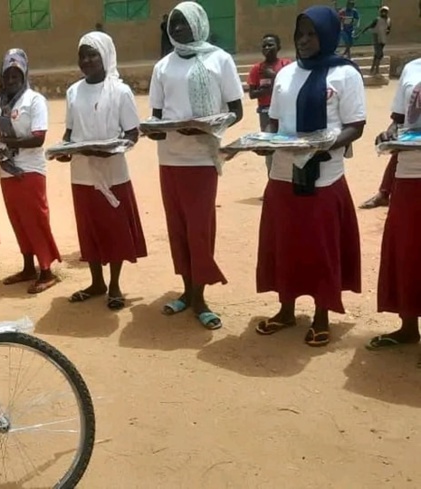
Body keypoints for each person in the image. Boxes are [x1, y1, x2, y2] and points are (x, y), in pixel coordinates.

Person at [254, 6, 366, 347]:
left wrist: (326, 145)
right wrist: (265, 143)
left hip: (323, 178)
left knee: (320, 247)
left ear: (327, 35)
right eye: (300, 34)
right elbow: (274, 123)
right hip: (284, 174)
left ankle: (321, 316)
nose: (304, 40)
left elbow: (355, 126)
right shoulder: (286, 75)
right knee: (284, 244)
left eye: (312, 33)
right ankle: (286, 309)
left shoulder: (345, 75)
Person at [148, 1, 244, 329]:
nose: (176, 29)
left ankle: (201, 297)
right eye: (173, 24)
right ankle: (187, 291)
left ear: (199, 24)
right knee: (177, 229)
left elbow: (236, 110)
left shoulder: (220, 60)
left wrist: (205, 125)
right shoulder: (162, 67)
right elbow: (157, 117)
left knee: (199, 230)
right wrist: (154, 130)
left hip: (201, 160)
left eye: (183, 23)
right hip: (170, 159)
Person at [61, 32, 146, 310]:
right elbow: (70, 132)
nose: (86, 60)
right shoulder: (73, 91)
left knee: (114, 229)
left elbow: (132, 134)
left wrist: (110, 149)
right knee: (90, 229)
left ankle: (114, 285)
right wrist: (63, 150)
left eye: (92, 54)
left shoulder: (120, 91)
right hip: (82, 173)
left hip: (112, 173)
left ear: (106, 56)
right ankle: (96, 282)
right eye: (82, 55)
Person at [0, 48, 62, 294]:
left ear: (24, 76)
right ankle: (27, 267)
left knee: (35, 219)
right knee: (18, 220)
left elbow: (38, 138)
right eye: (7, 76)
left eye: (16, 76)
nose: (11, 81)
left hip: (30, 170)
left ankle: (46, 270)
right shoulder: (1, 103)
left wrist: (8, 144)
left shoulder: (34, 100)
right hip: (7, 170)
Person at [366, 57, 421, 351]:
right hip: (409, 173)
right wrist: (389, 134)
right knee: (407, 251)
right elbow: (399, 120)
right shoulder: (413, 68)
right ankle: (409, 327)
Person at [247, 34, 292, 180]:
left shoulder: (286, 65)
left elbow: (292, 85)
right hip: (266, 112)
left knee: (288, 143)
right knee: (269, 146)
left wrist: (273, 75)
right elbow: (252, 94)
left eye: (270, 45)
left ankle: (289, 180)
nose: (267, 48)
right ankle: (272, 181)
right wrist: (265, 91)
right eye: (264, 45)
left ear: (278, 47)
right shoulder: (256, 69)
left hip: (285, 111)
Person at [360, 6, 391, 76]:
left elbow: (388, 29)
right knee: (380, 54)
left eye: (385, 11)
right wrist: (363, 31)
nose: (384, 13)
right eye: (382, 11)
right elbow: (370, 26)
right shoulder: (377, 19)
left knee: (376, 55)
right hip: (377, 39)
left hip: (383, 39)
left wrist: (387, 32)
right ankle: (376, 71)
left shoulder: (388, 20)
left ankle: (372, 69)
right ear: (380, 12)